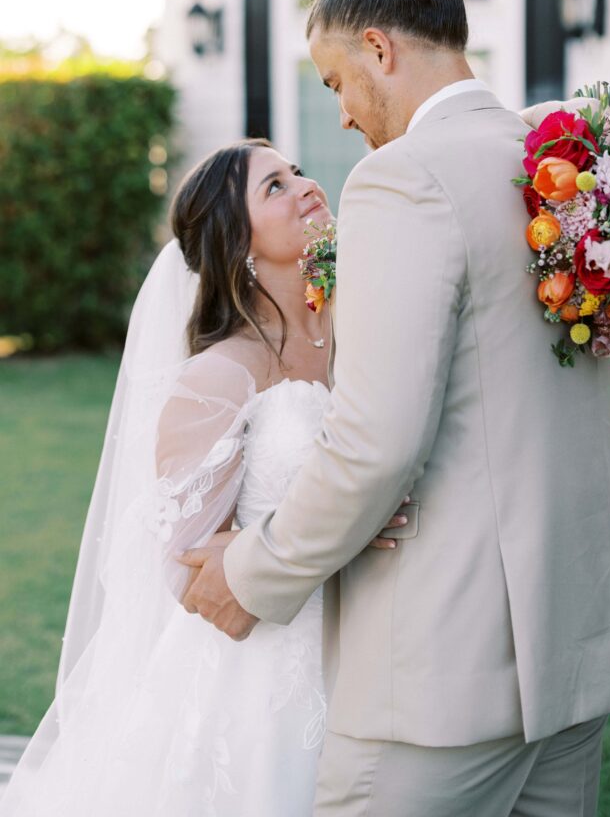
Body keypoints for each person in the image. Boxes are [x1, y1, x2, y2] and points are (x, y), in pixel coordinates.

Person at [183, 0, 610, 817]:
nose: (341, 114)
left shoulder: (403, 179)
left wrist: (254, 573)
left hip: (443, 668)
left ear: (377, 47)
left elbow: (375, 442)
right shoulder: (559, 164)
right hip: (573, 644)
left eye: (335, 82)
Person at [0, 139, 408, 817]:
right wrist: (344, 533)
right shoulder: (219, 377)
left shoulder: (365, 328)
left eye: (297, 173)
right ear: (236, 240)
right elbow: (188, 572)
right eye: (274, 187)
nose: (306, 187)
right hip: (263, 674)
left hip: (382, 646)